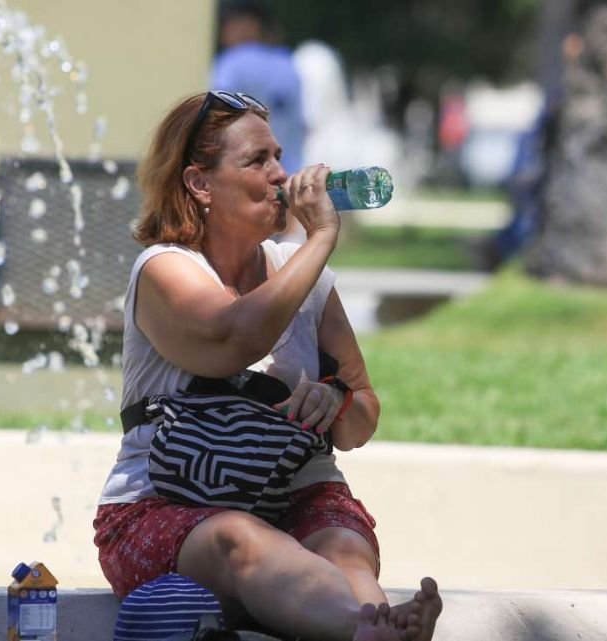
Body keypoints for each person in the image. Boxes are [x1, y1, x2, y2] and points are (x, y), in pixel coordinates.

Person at [92, 92, 443, 641]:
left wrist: (336, 401)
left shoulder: (304, 279)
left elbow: (362, 417)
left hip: (295, 493)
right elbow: (233, 337)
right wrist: (321, 238)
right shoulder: (163, 270)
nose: (281, 174)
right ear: (200, 184)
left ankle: (377, 625)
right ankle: (366, 630)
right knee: (239, 536)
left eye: (279, 156)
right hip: (168, 507)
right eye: (257, 161)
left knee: (344, 548)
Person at [211, 1, 307, 243]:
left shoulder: (232, 63)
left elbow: (216, 114)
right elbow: (300, 126)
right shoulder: (288, 65)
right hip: (288, 174)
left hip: (244, 176)